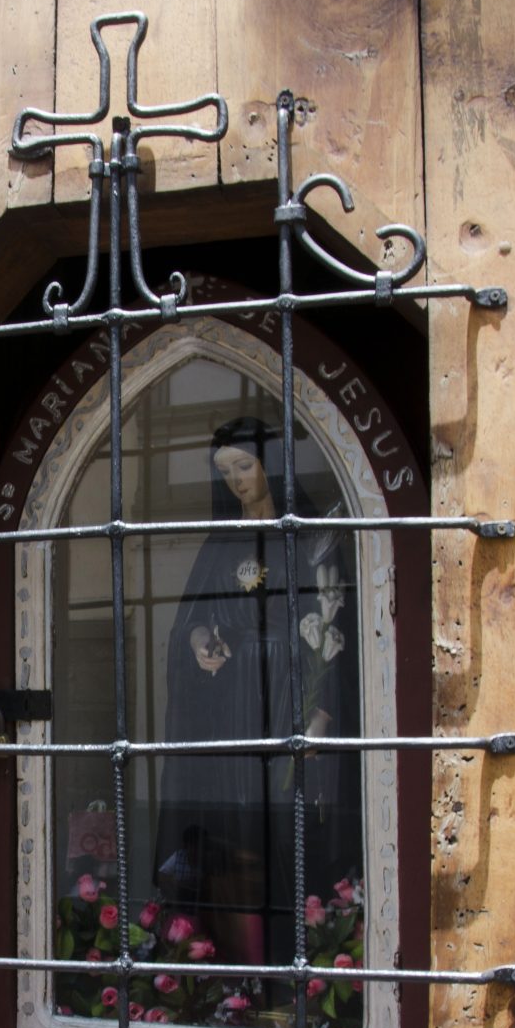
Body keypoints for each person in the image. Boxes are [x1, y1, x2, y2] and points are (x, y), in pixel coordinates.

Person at [153, 415, 362, 992]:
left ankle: (291, 969)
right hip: (231, 706)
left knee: (286, 827)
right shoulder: (222, 540)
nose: (239, 480)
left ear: (273, 464)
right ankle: (232, 968)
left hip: (289, 698)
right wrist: (202, 643)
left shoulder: (310, 533)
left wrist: (321, 713)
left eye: (245, 466)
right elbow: (192, 620)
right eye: (227, 472)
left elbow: (333, 630)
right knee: (233, 832)